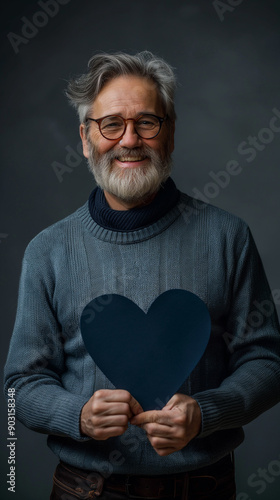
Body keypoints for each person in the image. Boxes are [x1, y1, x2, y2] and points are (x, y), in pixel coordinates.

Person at [4, 51, 280, 500]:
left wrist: (207, 413)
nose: (129, 139)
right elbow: (19, 388)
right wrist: (76, 415)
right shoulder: (47, 251)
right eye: (111, 124)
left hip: (204, 488)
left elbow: (267, 362)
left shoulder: (228, 237)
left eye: (147, 122)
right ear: (85, 138)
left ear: (169, 134)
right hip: (83, 489)